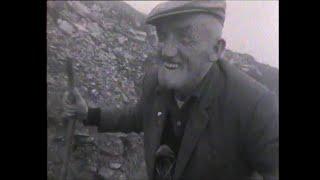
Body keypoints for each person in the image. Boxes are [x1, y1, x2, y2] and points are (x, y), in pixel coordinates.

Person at [62, 1, 278, 180]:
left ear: (216, 49)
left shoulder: (256, 106)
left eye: (185, 37)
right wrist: (88, 114)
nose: (167, 51)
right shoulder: (155, 80)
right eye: (163, 36)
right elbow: (139, 116)